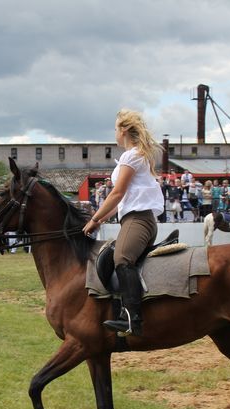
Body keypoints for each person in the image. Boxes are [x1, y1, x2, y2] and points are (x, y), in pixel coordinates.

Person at [82, 109, 164, 337]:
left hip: (139, 220)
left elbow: (117, 194)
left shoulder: (132, 156)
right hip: (132, 220)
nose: (115, 133)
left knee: (122, 258)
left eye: (116, 128)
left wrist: (95, 219)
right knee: (109, 257)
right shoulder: (134, 156)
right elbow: (120, 198)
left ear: (124, 129)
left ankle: (132, 319)